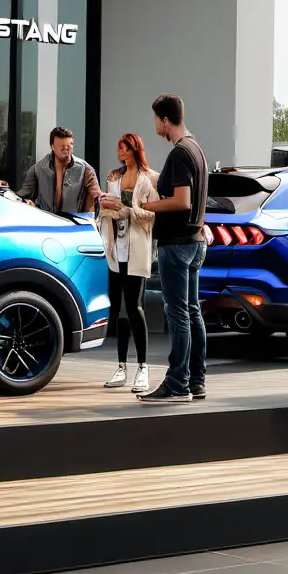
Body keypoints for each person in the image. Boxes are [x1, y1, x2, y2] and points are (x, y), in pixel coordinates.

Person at [138, 94, 209, 403]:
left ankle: (177, 384)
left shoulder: (180, 154)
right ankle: (197, 381)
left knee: (178, 313)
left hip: (178, 245)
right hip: (194, 243)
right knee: (192, 312)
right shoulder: (197, 149)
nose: (154, 125)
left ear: (165, 120)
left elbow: (182, 201)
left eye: (155, 119)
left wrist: (144, 205)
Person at [97, 134, 158, 393]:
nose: (119, 150)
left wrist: (127, 210)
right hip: (115, 249)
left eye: (124, 146)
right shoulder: (113, 176)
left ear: (134, 149)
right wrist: (107, 206)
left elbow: (153, 214)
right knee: (120, 307)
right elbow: (103, 211)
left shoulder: (150, 178)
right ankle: (121, 366)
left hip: (138, 249)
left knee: (135, 307)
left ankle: (143, 367)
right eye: (118, 146)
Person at [18, 127, 100, 217]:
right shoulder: (38, 169)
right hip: (45, 222)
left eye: (69, 145)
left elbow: (97, 194)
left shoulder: (85, 169)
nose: (66, 149)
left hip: (74, 223)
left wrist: (103, 200)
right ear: (52, 147)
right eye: (62, 147)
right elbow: (23, 196)